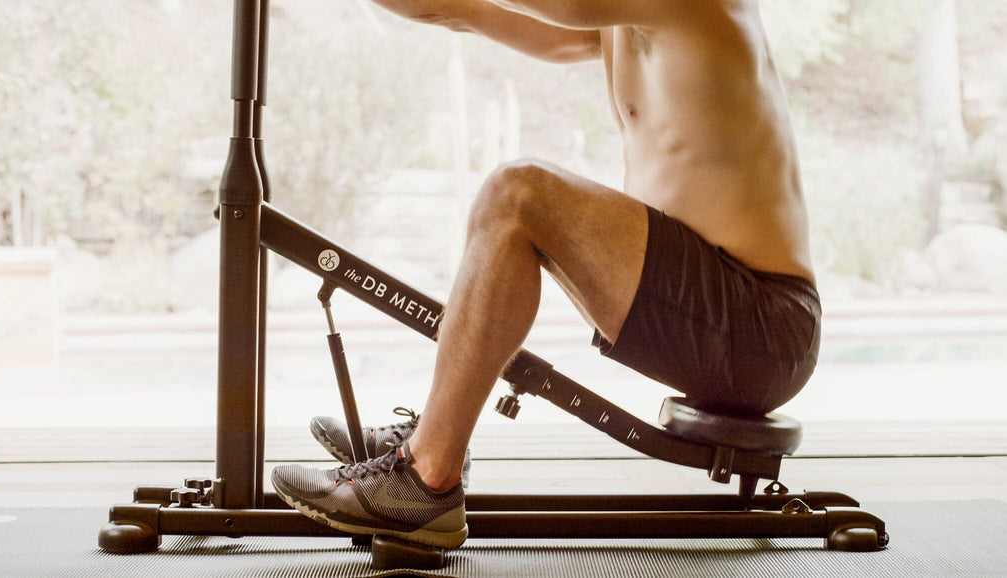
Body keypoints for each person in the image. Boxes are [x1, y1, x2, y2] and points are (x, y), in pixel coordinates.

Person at [271, 0, 821, 550]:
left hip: (765, 327)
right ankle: (436, 438)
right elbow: (452, 8)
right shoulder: (618, 25)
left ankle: (426, 476)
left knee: (520, 193)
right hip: (715, 310)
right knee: (514, 208)